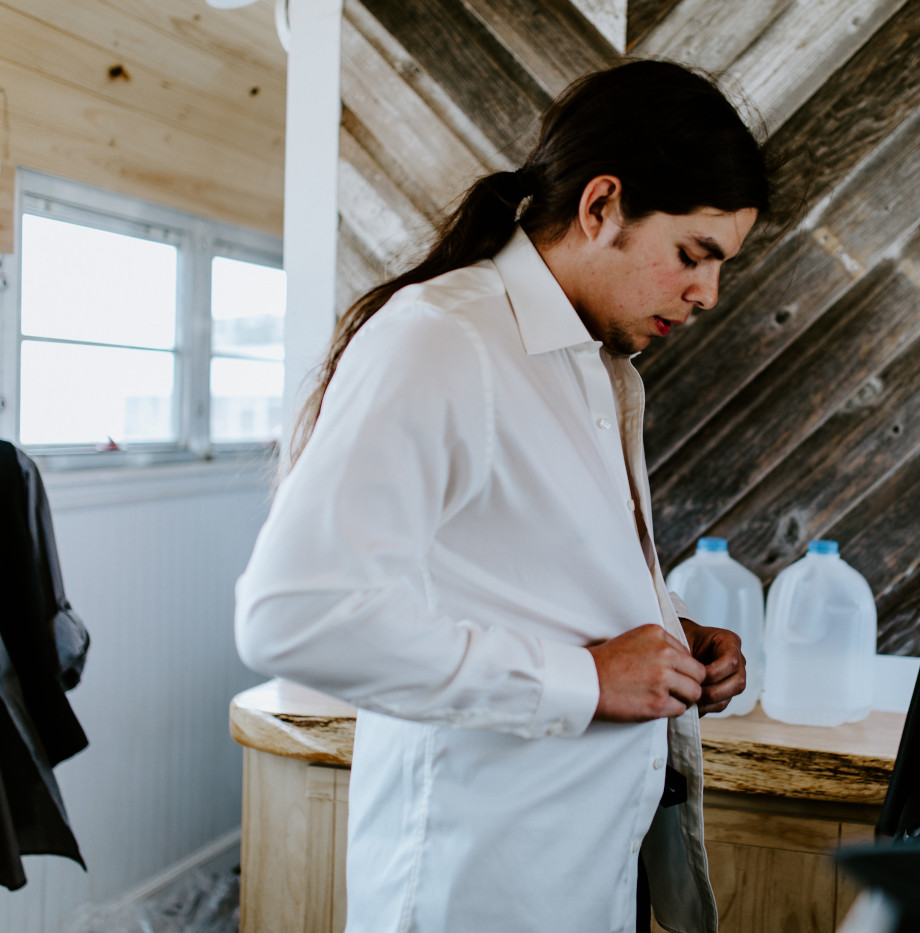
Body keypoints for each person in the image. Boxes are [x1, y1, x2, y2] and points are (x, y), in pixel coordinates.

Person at [234, 59, 772, 933]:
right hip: (469, 886)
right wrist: (587, 679)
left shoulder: (598, 367)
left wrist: (672, 631)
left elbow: (514, 568)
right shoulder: (442, 341)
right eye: (692, 255)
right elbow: (295, 616)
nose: (707, 294)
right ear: (602, 207)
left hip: (583, 877)